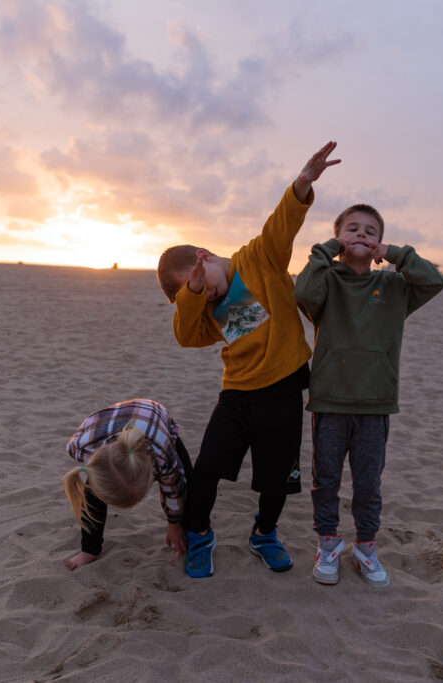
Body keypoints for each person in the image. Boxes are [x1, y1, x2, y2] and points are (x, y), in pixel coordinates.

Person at [155, 141, 341, 578]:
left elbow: (281, 225)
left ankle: (264, 533)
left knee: (277, 479)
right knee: (206, 472)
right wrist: (194, 296)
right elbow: (185, 335)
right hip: (236, 396)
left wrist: (302, 183)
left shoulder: (259, 258)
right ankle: (200, 533)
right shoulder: (201, 307)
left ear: (203, 258)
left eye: (204, 282)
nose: (209, 293)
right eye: (196, 292)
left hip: (281, 392)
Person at [293, 203, 443, 587]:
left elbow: (433, 281)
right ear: (339, 239)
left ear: (380, 242)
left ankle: (365, 550)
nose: (362, 234)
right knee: (325, 480)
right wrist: (325, 250)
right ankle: (327, 545)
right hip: (330, 401)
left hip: (375, 404)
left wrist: (395, 255)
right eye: (352, 229)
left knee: (368, 483)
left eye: (371, 231)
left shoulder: (394, 287)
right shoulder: (327, 281)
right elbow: (303, 292)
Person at [62, 398, 191, 571]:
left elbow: (173, 492)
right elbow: (80, 440)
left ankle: (191, 527)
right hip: (106, 424)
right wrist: (97, 472)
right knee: (92, 495)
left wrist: (174, 525)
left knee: (186, 478)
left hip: (156, 417)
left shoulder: (163, 457)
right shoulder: (81, 446)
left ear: (150, 468)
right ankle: (90, 549)